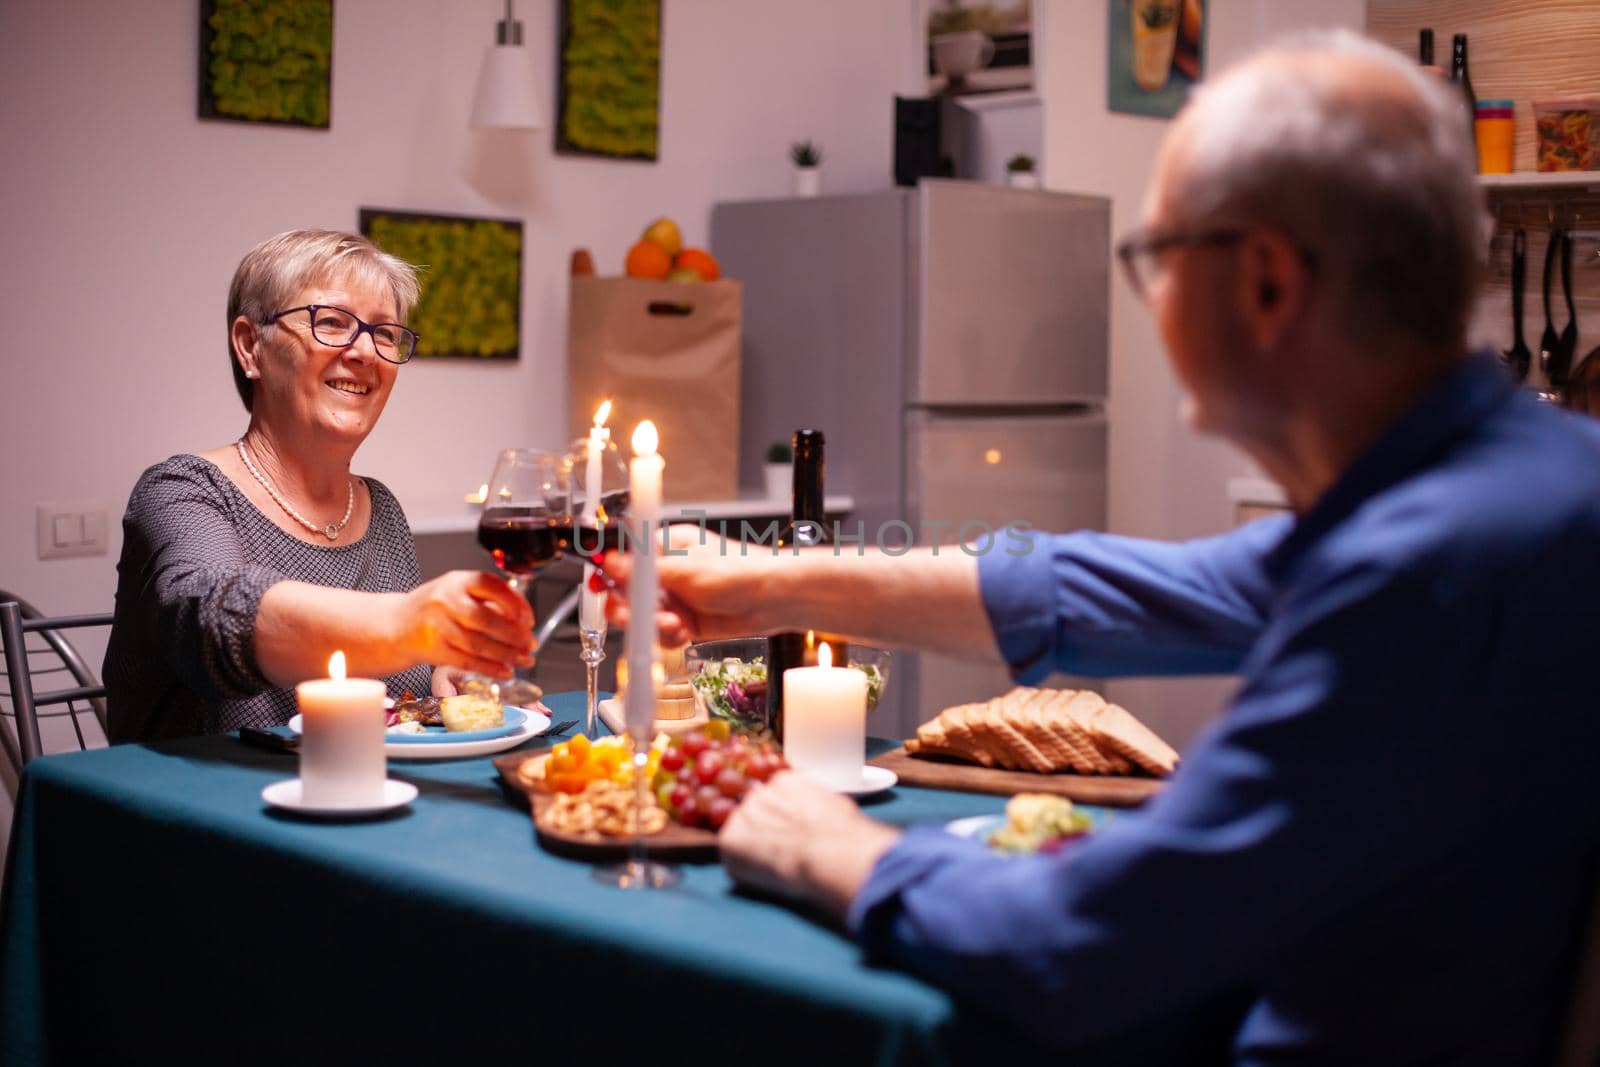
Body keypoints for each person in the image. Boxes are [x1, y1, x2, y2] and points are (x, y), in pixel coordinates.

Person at [604, 32, 1600, 1063]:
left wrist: (829, 845)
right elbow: (1100, 593)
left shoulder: (1425, 569)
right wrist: (764, 582)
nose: (1151, 298)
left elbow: (1083, 943)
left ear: (1263, 281)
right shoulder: (1513, 482)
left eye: (1156, 259)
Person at [105, 229, 534, 742]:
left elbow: (382, 706)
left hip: (363, 805)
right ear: (250, 348)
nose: (364, 352)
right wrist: (410, 625)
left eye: (384, 333)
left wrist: (440, 683)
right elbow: (215, 621)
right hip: (201, 812)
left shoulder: (381, 510)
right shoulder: (181, 491)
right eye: (331, 323)